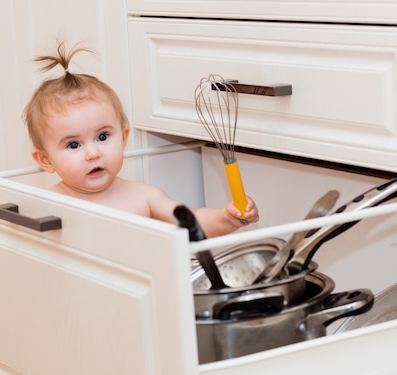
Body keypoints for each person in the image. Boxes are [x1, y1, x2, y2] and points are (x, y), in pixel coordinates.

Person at [22, 42, 259, 237]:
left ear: (124, 138)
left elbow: (195, 223)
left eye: (103, 136)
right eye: (73, 144)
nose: (93, 153)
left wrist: (226, 218)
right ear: (45, 160)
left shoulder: (145, 197)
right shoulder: (48, 206)